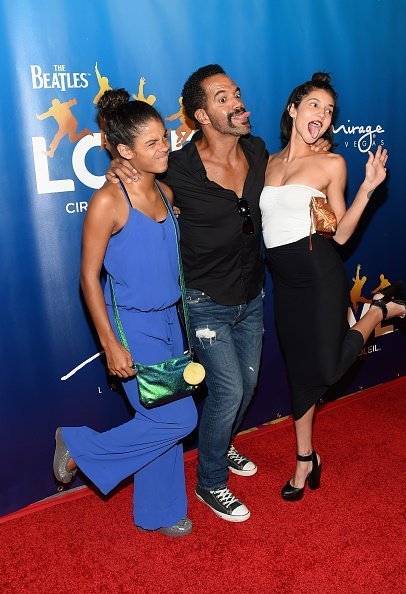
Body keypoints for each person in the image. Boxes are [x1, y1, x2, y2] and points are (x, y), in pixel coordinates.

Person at [106, 65, 330, 522]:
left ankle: (221, 443)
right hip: (205, 301)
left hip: (252, 294)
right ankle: (210, 482)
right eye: (223, 97)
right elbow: (145, 189)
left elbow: (292, 171)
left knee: (245, 386)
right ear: (201, 115)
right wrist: (121, 166)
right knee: (227, 392)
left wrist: (316, 151)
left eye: (237, 93)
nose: (237, 102)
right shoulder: (181, 167)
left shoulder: (258, 149)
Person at [260, 72, 406, 501]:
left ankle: (382, 310)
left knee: (327, 370)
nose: (323, 116)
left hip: (319, 272)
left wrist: (367, 188)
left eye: (329, 111)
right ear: (293, 109)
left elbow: (343, 234)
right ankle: (304, 460)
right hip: (284, 279)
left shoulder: (332, 164)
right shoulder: (268, 162)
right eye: (314, 105)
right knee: (300, 376)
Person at [53, 89, 197, 537]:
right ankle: (77, 443)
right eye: (152, 143)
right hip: (131, 325)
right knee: (180, 417)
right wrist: (110, 342)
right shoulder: (107, 202)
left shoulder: (166, 189)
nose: (166, 147)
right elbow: (87, 278)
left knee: (160, 416)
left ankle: (160, 509)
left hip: (171, 322)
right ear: (124, 151)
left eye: (165, 137)